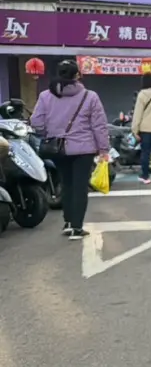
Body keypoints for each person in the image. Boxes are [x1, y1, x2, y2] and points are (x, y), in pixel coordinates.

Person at [31, 59, 108, 240]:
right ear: (77, 75)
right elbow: (99, 125)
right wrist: (103, 149)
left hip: (57, 149)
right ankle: (76, 227)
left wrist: (50, 132)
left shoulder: (45, 96)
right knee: (80, 187)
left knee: (66, 184)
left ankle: (67, 222)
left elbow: (36, 123)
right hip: (84, 149)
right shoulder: (90, 96)